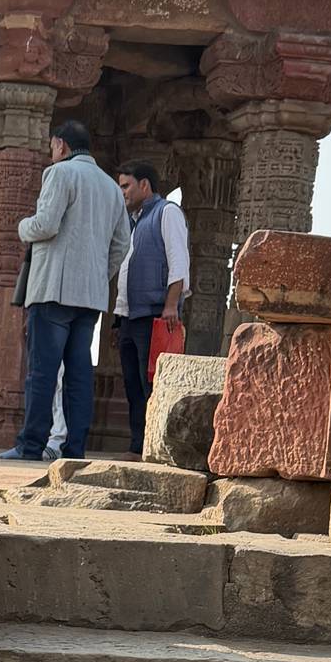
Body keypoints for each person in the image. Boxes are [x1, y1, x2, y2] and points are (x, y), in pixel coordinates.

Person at [0, 120, 129, 462]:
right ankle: (74, 449)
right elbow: (121, 244)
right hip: (90, 295)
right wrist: (99, 275)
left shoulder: (60, 173)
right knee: (79, 374)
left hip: (53, 288)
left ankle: (31, 445)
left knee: (42, 371)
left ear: (61, 145)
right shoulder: (111, 187)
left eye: (52, 146)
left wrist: (22, 227)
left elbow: (45, 225)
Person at [114, 160, 189, 454]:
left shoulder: (167, 212)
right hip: (130, 318)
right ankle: (138, 445)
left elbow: (178, 261)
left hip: (155, 315)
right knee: (132, 385)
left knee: (152, 385)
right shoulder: (134, 221)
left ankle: (153, 446)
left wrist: (171, 305)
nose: (123, 192)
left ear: (144, 185)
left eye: (126, 186)